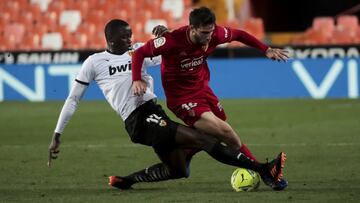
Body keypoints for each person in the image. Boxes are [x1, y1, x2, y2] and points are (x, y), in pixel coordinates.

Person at [48, 19, 285, 190]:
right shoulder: (94, 62)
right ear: (110, 39)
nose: (129, 39)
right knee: (205, 138)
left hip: (154, 112)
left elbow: (172, 53)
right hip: (137, 120)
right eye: (124, 36)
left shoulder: (137, 51)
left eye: (130, 34)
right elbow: (73, 98)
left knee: (179, 171)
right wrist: (57, 133)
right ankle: (263, 170)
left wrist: (167, 35)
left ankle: (126, 181)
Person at [131, 7, 289, 190]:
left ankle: (187, 151)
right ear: (192, 28)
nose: (209, 37)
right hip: (181, 98)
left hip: (202, 90)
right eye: (205, 33)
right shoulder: (170, 41)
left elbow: (239, 34)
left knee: (216, 129)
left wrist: (266, 49)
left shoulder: (216, 34)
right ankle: (265, 172)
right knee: (227, 133)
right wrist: (136, 79)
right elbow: (140, 53)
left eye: (211, 31)